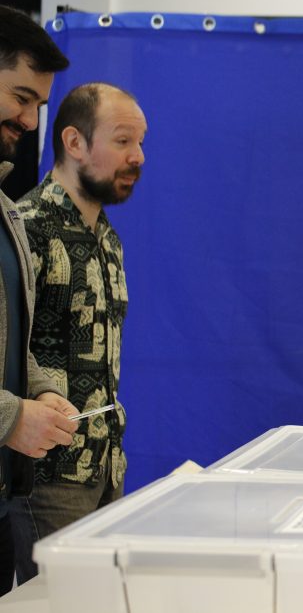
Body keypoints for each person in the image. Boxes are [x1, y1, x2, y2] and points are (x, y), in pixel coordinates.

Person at [9, 82, 146, 582]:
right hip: (48, 478)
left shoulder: (108, 238)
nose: (138, 156)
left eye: (141, 143)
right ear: (74, 143)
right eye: (123, 141)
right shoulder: (24, 228)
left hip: (107, 465)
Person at [0, 5, 78, 595]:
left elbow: (15, 340)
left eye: (37, 105)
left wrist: (44, 388)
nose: (29, 121)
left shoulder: (5, 212)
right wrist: (11, 417)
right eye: (21, 97)